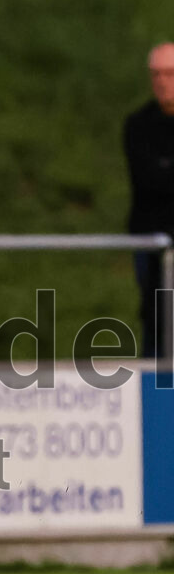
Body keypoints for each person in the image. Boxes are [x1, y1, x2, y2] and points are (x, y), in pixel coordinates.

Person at [126, 42, 174, 359]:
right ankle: (158, 400)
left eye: (169, 73)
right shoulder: (139, 126)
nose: (161, 81)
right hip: (153, 243)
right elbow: (150, 182)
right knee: (156, 323)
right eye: (155, 74)